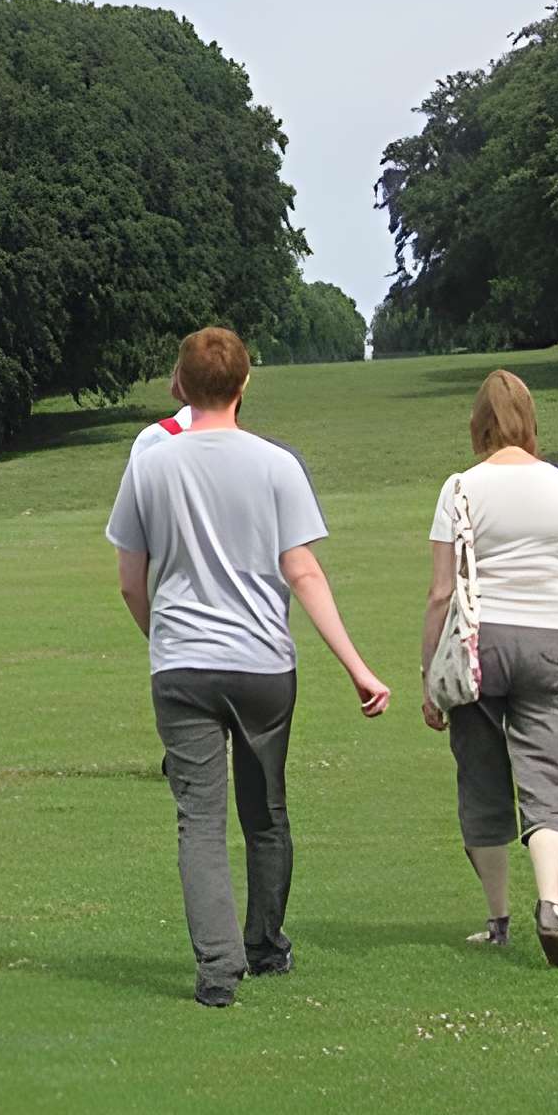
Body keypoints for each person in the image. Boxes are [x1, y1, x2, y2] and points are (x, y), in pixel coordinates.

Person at [108, 326, 394, 1007]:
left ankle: (216, 970)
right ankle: (264, 945)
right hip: (263, 664)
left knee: (198, 823)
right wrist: (357, 666)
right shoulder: (276, 465)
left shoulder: (151, 464)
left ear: (179, 385)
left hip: (181, 666)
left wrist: (162, 639)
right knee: (264, 813)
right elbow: (303, 571)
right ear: (244, 385)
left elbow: (128, 579)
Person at [422, 368, 558, 969]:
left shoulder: (460, 488)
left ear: (480, 424)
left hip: (481, 645)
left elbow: (443, 593)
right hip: (552, 641)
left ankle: (498, 920)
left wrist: (428, 679)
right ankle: (551, 903)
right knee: (544, 782)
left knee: (482, 781)